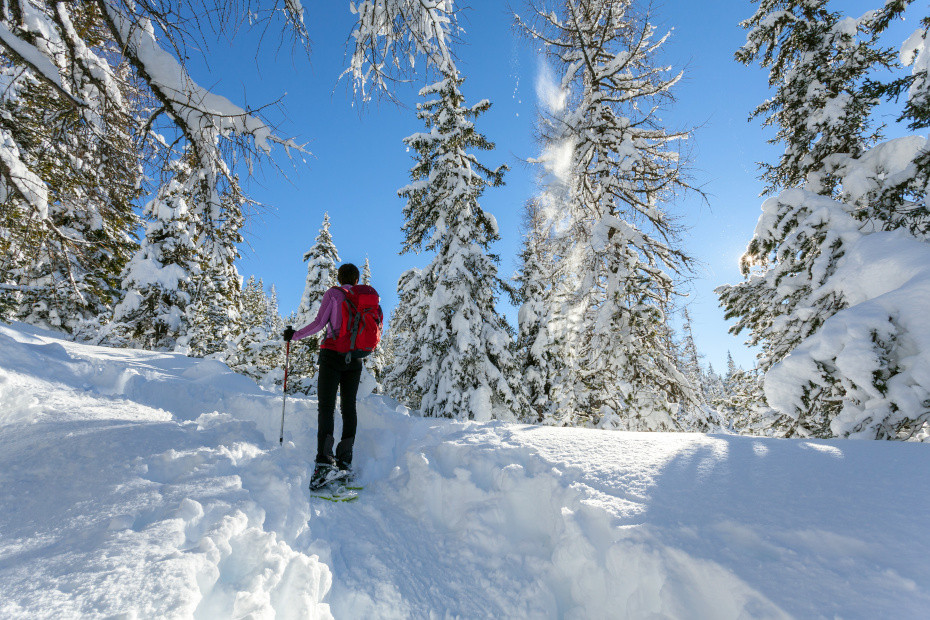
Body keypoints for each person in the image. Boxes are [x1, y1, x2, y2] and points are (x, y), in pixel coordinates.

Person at [283, 263, 363, 490]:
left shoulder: (334, 294)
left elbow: (319, 323)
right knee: (349, 408)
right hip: (355, 359)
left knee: (326, 407)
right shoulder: (365, 298)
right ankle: (345, 461)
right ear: (357, 280)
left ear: (338, 279)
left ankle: (325, 462)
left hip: (331, 355)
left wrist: (294, 335)